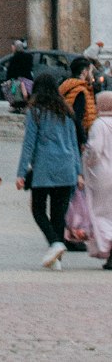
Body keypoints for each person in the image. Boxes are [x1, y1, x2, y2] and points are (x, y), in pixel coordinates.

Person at [16, 71, 84, 269]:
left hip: (45, 168)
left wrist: (21, 173)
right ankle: (57, 260)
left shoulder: (35, 111)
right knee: (58, 214)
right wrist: (79, 172)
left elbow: (29, 144)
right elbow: (73, 143)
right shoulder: (66, 111)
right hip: (67, 168)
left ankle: (55, 244)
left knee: (38, 209)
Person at [83, 89, 112, 269]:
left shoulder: (99, 124)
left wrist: (86, 161)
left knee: (100, 212)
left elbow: (94, 150)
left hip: (101, 174)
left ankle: (107, 245)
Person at [60, 57, 98, 150]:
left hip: (67, 135)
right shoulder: (80, 91)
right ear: (84, 71)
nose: (92, 75)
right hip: (77, 139)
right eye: (91, 72)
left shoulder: (67, 86)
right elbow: (77, 117)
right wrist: (83, 140)